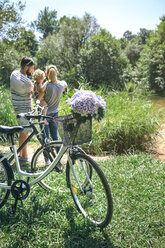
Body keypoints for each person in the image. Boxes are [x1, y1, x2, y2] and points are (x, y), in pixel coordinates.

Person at [10, 56, 35, 163]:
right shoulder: (26, 82)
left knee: (23, 132)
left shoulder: (14, 74)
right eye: (32, 68)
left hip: (17, 107)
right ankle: (24, 157)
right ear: (26, 67)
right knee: (25, 133)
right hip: (24, 108)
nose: (32, 70)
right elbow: (32, 92)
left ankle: (21, 155)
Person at [43, 64, 67, 142]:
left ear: (47, 74)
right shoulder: (61, 85)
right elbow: (65, 84)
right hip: (55, 114)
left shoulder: (46, 87)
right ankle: (58, 154)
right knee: (55, 137)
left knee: (45, 139)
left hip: (44, 115)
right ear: (57, 73)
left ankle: (47, 154)